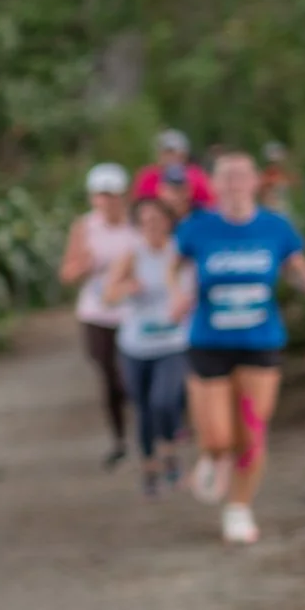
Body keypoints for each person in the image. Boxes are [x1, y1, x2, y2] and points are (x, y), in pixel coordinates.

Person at [175, 147, 305, 544]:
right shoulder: (197, 228)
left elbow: (296, 268)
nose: (233, 184)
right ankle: (212, 458)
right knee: (217, 438)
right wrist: (175, 295)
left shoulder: (276, 228)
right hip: (209, 342)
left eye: (240, 175)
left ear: (255, 181)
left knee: (251, 433)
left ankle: (239, 509)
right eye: (225, 176)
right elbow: (172, 268)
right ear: (213, 184)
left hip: (259, 342)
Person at [103, 194, 194, 496]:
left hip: (173, 342)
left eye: (157, 219)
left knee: (164, 401)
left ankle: (169, 452)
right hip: (136, 345)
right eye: (145, 222)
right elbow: (108, 294)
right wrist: (127, 287)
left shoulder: (181, 253)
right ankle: (150, 468)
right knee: (142, 408)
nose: (152, 226)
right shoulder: (132, 255)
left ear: (169, 221)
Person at [57, 161, 142, 467]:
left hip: (134, 311)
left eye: (112, 195)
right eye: (100, 195)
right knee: (108, 375)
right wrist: (85, 265)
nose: (106, 201)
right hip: (96, 312)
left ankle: (150, 430)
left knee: (131, 375)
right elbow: (67, 273)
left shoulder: (138, 225)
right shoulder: (85, 227)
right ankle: (119, 439)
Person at [134, 128, 215, 215]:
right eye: (168, 153)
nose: (172, 158)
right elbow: (138, 208)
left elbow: (210, 204)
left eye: (176, 153)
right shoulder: (148, 177)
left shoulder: (196, 176)